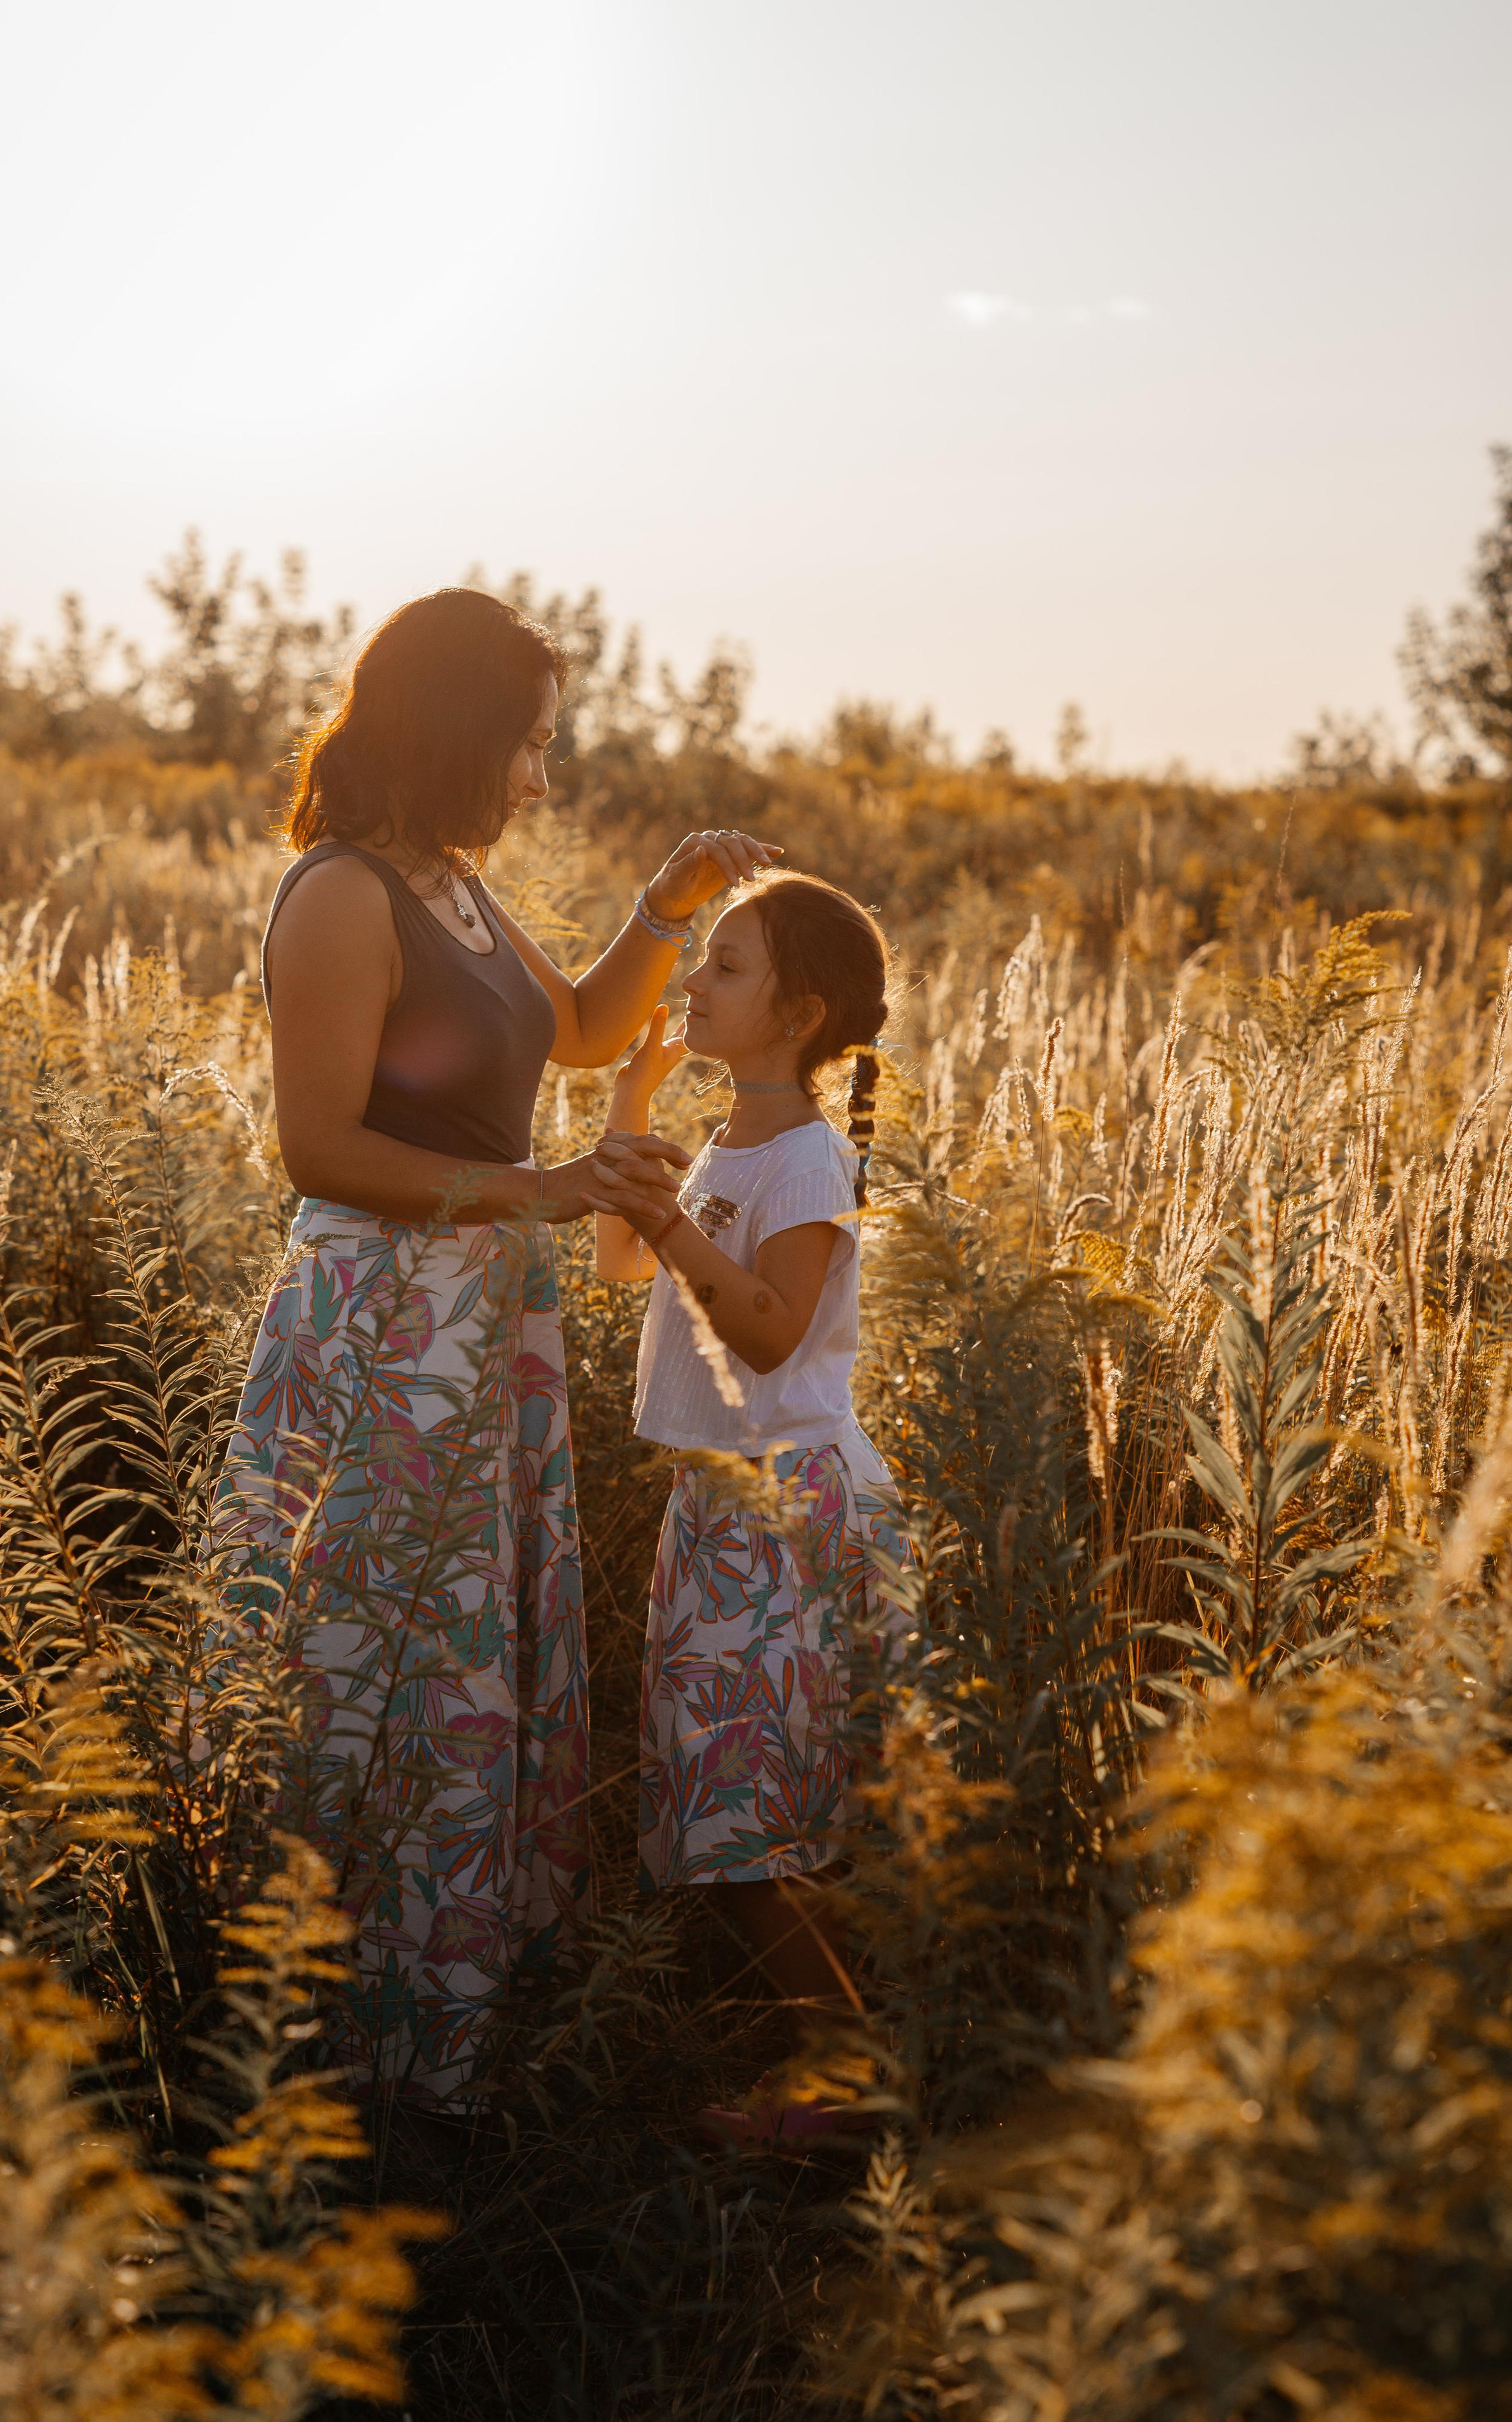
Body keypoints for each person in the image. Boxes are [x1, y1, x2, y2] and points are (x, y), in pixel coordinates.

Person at [211, 583, 779, 2101]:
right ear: (454, 731)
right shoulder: (341, 892)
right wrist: (544, 1189)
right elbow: (316, 1147)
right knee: (374, 1661)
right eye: (527, 745)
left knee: (456, 1659)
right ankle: (323, 2045)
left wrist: (668, 902)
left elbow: (583, 1031)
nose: (540, 777)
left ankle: (438, 2020)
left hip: (477, 1322)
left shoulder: (452, 887)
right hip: (384, 1327)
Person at [594, 868, 907, 2143]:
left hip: (784, 1511)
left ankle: (844, 2082)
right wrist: (628, 1113)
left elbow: (771, 1337)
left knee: (753, 1818)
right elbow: (623, 1262)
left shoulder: (810, 1159)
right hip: (717, 1510)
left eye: (725, 967)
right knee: (753, 1810)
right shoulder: (728, 1143)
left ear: (798, 1014)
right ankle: (845, 2055)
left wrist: (671, 1220)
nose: (692, 985)